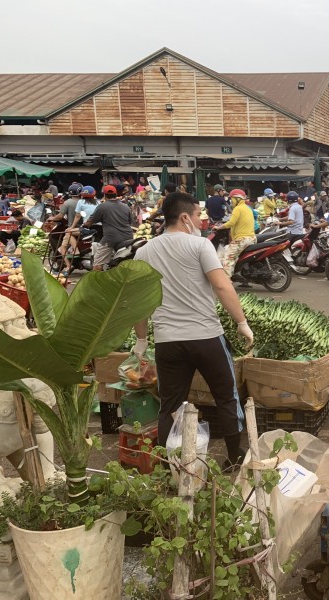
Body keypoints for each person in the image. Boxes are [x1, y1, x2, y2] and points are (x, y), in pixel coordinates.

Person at [133, 192, 254, 471]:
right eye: (199, 215)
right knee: (225, 396)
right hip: (206, 337)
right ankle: (233, 457)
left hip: (167, 342)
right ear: (185, 217)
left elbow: (138, 301)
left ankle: (168, 465)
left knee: (170, 404)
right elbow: (222, 286)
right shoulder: (200, 246)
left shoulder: (144, 252)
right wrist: (241, 322)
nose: (202, 220)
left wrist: (141, 338)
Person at [82, 185, 134, 271]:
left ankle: (97, 282)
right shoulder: (125, 206)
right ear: (116, 194)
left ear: (104, 195)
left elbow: (90, 221)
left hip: (110, 238)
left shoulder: (102, 206)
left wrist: (85, 225)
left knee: (97, 264)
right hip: (128, 237)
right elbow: (130, 222)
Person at [213, 189, 256, 277]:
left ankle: (226, 281)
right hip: (251, 238)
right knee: (230, 252)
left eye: (232, 199)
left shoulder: (238, 208)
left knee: (228, 257)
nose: (231, 201)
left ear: (237, 199)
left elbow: (231, 223)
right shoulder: (247, 208)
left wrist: (218, 227)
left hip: (242, 239)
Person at [59, 186, 99, 275]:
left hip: (87, 228)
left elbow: (78, 216)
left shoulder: (80, 202)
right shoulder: (98, 202)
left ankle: (75, 251)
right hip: (98, 228)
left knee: (68, 232)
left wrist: (72, 227)